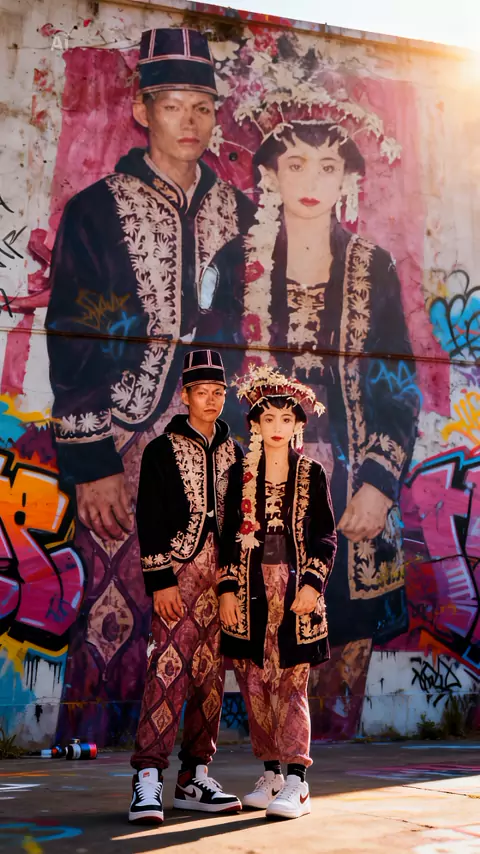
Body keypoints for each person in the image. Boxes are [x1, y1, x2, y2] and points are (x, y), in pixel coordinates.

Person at [45, 27, 254, 744]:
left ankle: (192, 756)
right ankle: (96, 745)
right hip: (124, 439)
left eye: (203, 107)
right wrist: (91, 462)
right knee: (115, 607)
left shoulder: (242, 217)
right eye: (173, 105)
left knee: (205, 603)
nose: (190, 121)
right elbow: (73, 334)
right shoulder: (96, 210)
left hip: (212, 443)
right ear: (142, 110)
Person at [199, 121, 420, 735]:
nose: (312, 181)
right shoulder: (235, 263)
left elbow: (398, 386)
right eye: (295, 163)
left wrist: (378, 484)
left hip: (350, 491)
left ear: (346, 178)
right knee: (261, 628)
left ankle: (324, 759)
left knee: (340, 655)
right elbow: (210, 382)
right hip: (256, 484)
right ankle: (274, 760)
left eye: (327, 167)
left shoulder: (372, 265)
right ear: (270, 175)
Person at [218, 364, 337, 820]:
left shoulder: (312, 473)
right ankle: (270, 774)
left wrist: (312, 583)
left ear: (297, 426)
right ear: (255, 424)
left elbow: (326, 536)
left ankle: (298, 781)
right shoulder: (239, 475)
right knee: (254, 683)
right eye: (268, 418)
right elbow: (228, 537)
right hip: (249, 591)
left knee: (291, 683)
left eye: (286, 419)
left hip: (294, 590)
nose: (277, 427)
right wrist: (227, 590)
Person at [129, 349, 243, 824]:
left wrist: (231, 584)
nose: (212, 400)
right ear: (185, 395)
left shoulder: (236, 453)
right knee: (167, 669)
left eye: (219, 392)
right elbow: (149, 517)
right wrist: (161, 581)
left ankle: (194, 776)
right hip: (178, 574)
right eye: (203, 392)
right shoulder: (160, 450)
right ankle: (148, 777)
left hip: (219, 582)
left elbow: (238, 523)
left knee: (211, 676)